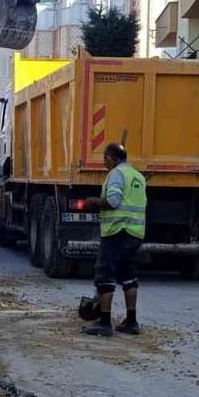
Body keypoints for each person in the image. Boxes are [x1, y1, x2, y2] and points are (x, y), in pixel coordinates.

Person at [81, 143, 147, 337]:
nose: (104, 163)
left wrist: (94, 202)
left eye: (106, 158)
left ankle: (104, 322)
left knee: (105, 275)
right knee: (128, 276)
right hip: (134, 233)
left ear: (115, 158)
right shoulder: (138, 176)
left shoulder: (117, 174)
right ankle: (131, 321)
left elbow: (113, 201)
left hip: (116, 231)